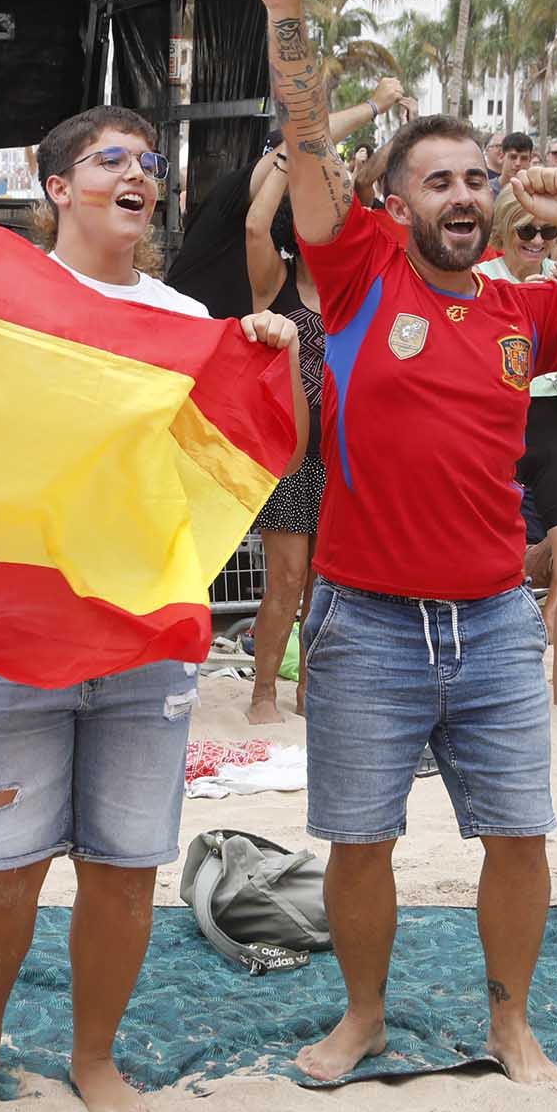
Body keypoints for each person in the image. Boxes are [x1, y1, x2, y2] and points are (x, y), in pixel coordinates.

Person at [246, 0, 557, 1086]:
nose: (461, 196)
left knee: (516, 835)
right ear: (392, 203)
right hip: (365, 618)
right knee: (359, 838)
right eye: (436, 180)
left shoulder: (523, 311)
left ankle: (509, 1022)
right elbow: (302, 137)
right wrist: (287, 10)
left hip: (495, 618)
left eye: (475, 180)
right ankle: (362, 1016)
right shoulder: (353, 275)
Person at [0, 105, 299, 1112]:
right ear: (55, 186)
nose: (139, 173)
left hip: (143, 629)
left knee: (126, 868)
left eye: (148, 161)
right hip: (14, 625)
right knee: (1, 868)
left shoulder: (185, 322)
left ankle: (94, 1057)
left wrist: (269, 357)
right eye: (109, 160)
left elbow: (263, 463)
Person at [478, 184, 557, 720]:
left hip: (552, 415)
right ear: (504, 232)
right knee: (484, 564)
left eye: (547, 231)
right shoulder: (479, 281)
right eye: (525, 230)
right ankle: (484, 680)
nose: (537, 241)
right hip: (493, 418)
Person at [242, 131, 331, 726]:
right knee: (288, 579)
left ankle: (309, 693)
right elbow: (253, 226)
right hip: (292, 454)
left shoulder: (363, 290)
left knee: (326, 587)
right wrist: (288, 157)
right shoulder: (276, 281)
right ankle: (264, 692)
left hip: (351, 454)